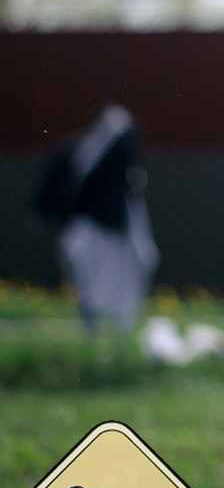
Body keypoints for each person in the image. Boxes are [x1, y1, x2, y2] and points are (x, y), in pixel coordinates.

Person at [32, 104, 159, 331]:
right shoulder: (86, 156)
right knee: (90, 280)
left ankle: (113, 327)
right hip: (95, 229)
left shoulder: (116, 166)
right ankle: (93, 325)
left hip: (114, 232)